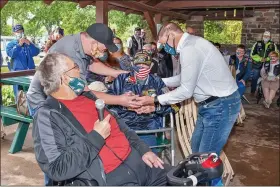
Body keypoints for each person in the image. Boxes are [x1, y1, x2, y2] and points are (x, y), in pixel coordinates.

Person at [33, 53, 169, 186]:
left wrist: (143, 149)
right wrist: (96, 137)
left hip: (141, 165)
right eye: (75, 67)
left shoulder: (88, 97)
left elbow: (122, 128)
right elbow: (57, 169)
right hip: (111, 179)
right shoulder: (48, 116)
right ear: (65, 78)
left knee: (185, 176)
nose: (80, 70)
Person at [136, 23, 240, 157]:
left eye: (164, 44)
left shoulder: (189, 49)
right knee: (196, 147)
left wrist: (154, 100)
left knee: (206, 157)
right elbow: (185, 77)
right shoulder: (192, 44)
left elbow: (186, 90)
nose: (164, 49)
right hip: (210, 105)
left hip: (220, 104)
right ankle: (204, 176)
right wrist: (158, 81)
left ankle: (210, 178)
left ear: (171, 35)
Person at [27, 23, 141, 115]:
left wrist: (117, 73)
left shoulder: (83, 45)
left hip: (61, 100)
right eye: (104, 47)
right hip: (43, 103)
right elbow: (84, 92)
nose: (105, 50)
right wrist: (120, 100)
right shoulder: (71, 53)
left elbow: (92, 64)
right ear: (94, 43)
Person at [107, 51, 178, 148]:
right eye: (138, 65)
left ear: (151, 65)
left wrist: (155, 107)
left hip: (148, 127)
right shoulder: (122, 79)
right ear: (132, 65)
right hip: (123, 126)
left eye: (145, 65)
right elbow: (107, 103)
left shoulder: (157, 81)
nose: (141, 68)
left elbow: (175, 106)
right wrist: (122, 102)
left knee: (150, 160)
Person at [6, 24, 40, 98]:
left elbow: (36, 51)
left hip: (30, 74)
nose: (19, 33)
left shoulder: (28, 43)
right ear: (14, 33)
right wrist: (19, 45)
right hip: (18, 74)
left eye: (21, 32)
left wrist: (30, 44)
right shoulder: (10, 44)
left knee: (31, 96)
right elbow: (11, 54)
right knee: (19, 97)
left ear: (23, 32)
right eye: (17, 32)